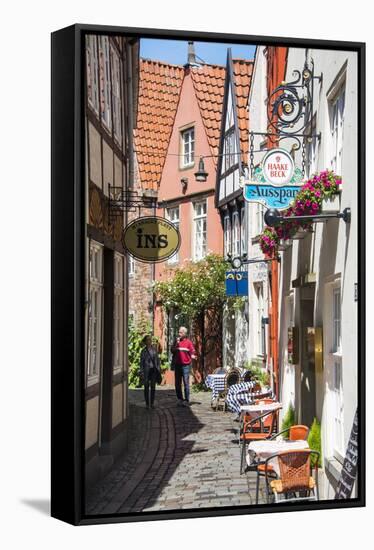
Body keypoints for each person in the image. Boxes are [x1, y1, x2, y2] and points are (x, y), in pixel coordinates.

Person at [171, 326, 196, 407]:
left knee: (186, 383)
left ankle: (186, 400)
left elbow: (192, 351)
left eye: (181, 332)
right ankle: (180, 399)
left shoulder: (188, 342)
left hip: (186, 365)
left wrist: (192, 355)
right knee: (177, 383)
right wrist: (176, 344)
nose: (179, 334)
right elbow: (172, 350)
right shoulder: (176, 341)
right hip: (177, 365)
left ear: (185, 334)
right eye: (179, 332)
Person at [140, 335, 161, 409]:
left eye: (150, 340)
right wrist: (141, 372)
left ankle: (152, 404)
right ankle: (147, 404)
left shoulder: (154, 349)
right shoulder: (143, 351)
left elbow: (157, 360)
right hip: (146, 371)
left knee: (153, 387)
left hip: (153, 370)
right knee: (146, 387)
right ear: (145, 342)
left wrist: (158, 369)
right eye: (148, 340)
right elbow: (141, 362)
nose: (150, 341)